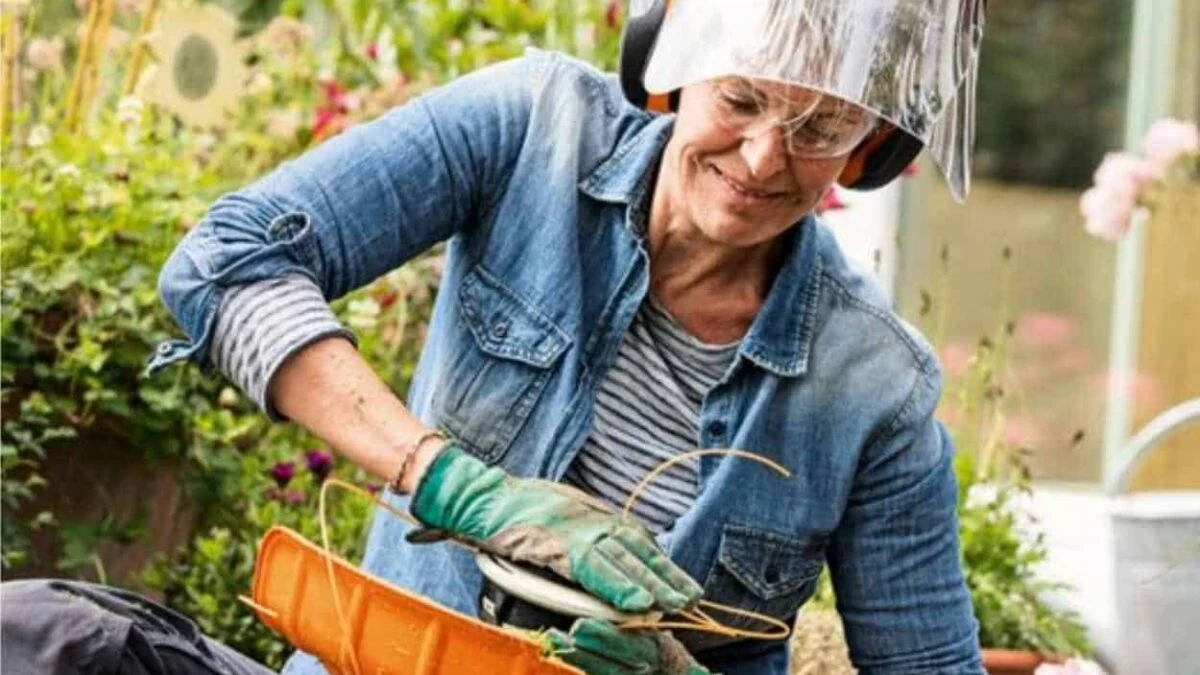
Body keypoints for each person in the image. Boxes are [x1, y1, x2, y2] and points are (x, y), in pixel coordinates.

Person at [1, 0, 988, 673]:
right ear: (673, 71)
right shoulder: (533, 128)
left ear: (871, 150)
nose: (765, 157)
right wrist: (454, 486)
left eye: (819, 130)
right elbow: (223, 262)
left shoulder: (874, 389)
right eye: (740, 100)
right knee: (40, 636)